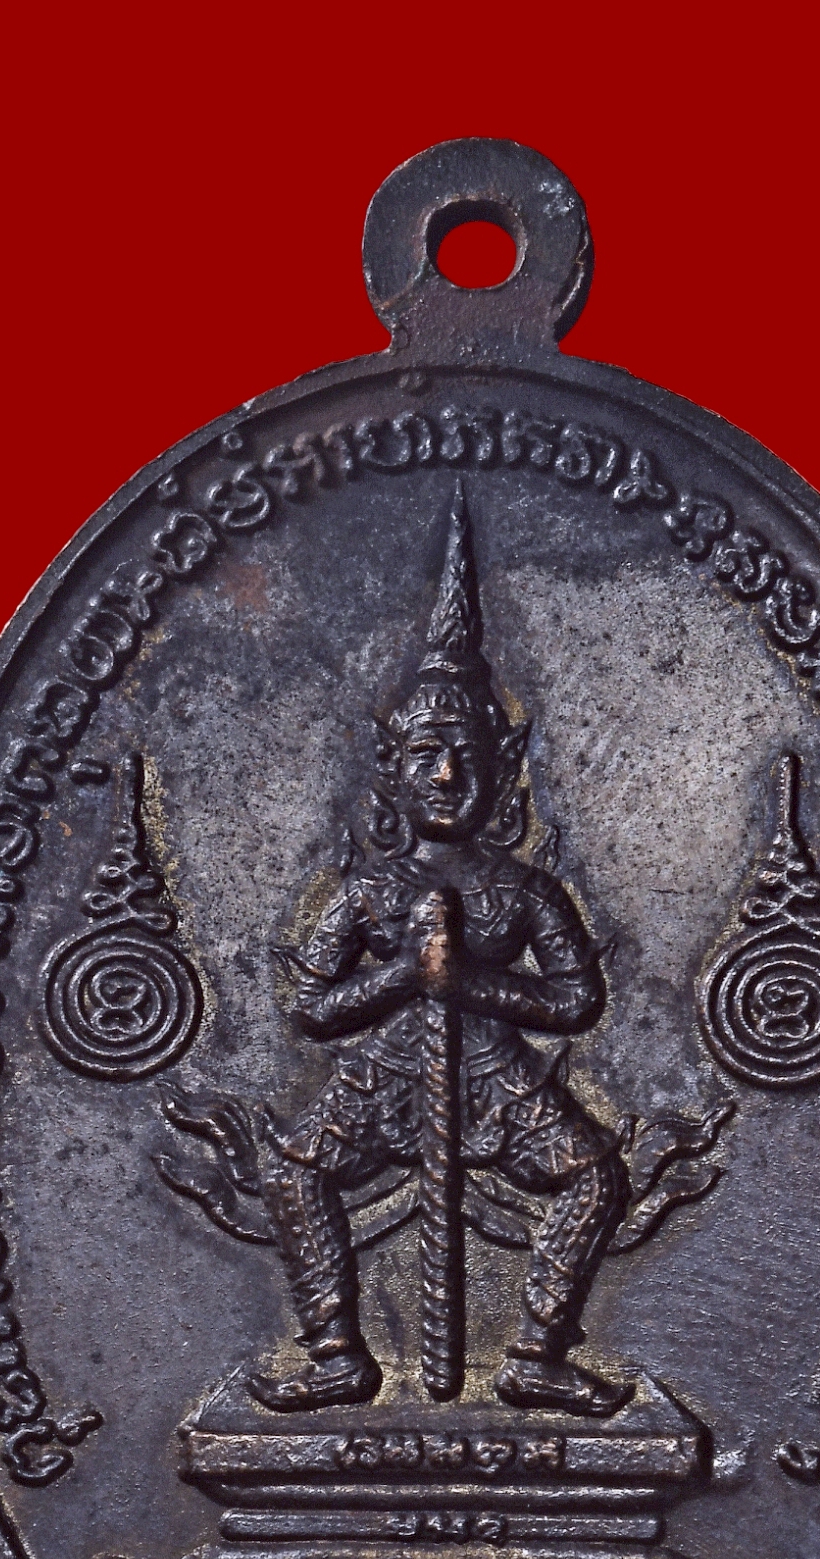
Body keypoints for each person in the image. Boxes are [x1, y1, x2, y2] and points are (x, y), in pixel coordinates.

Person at [250, 485, 631, 1418]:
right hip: (385, 1075)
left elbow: (574, 1001)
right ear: (394, 770)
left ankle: (536, 1353)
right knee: (291, 1169)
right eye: (426, 755)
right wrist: (401, 975)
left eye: (466, 753)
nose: (448, 774)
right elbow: (310, 1008)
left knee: (594, 1175)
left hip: (495, 1077)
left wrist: (467, 981)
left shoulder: (524, 891)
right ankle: (337, 1352)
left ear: (503, 767)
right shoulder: (368, 892)